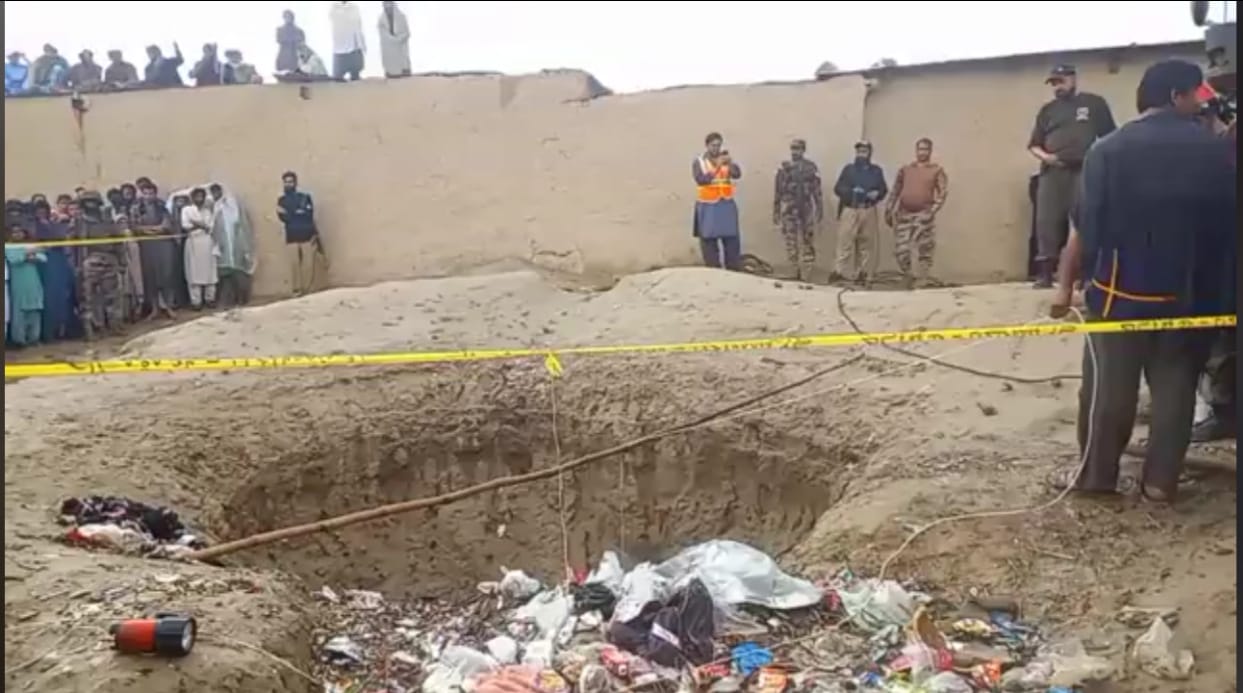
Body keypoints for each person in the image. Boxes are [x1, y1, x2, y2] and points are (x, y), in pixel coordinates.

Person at [1049, 60, 1235, 503]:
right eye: (1194, 95)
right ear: (1175, 96)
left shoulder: (1108, 150)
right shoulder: (1216, 151)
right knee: (1176, 390)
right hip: (1192, 297)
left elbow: (1087, 228)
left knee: (1109, 390)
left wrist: (1073, 284)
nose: (1199, 104)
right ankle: (1160, 483)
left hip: (1120, 293)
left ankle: (1096, 478)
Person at [1027, 64, 1116, 288]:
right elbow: (1034, 145)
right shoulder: (1048, 111)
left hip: (1084, 169)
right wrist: (1047, 158)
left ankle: (1086, 274)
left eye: (1061, 81)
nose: (1057, 87)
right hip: (1053, 171)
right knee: (1047, 221)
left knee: (1085, 219)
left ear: (1073, 79)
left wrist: (1098, 159)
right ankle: (1045, 274)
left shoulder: (1094, 103)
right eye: (1054, 83)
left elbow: (1109, 137)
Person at [885, 137, 950, 289]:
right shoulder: (906, 170)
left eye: (925, 149)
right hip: (904, 215)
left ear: (930, 151)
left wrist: (933, 211)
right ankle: (908, 275)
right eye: (920, 149)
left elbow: (943, 192)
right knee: (902, 250)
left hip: (923, 216)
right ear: (916, 151)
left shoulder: (936, 170)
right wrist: (889, 209)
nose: (922, 152)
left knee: (924, 249)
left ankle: (922, 279)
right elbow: (895, 190)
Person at [831, 141, 887, 284]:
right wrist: (852, 192)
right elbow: (838, 188)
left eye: (864, 151)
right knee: (844, 242)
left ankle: (862, 274)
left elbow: (883, 189)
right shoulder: (849, 170)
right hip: (851, 208)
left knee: (865, 244)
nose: (862, 154)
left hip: (868, 209)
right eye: (859, 151)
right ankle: (838, 272)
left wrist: (877, 194)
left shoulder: (876, 171)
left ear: (870, 153)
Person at [75, 191, 127, 339]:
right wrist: (76, 265)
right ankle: (90, 329)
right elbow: (72, 246)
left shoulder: (108, 221)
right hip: (89, 261)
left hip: (109, 259)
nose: (91, 205)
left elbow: (119, 242)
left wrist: (122, 261)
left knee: (113, 296)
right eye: (88, 202)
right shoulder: (79, 223)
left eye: (93, 202)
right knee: (87, 298)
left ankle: (115, 325)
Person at [771, 138, 823, 280]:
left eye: (798, 149)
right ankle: (793, 270)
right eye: (793, 148)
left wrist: (819, 209)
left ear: (803, 150)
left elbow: (817, 191)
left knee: (807, 240)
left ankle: (807, 272)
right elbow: (778, 191)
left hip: (805, 208)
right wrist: (776, 211)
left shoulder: (810, 168)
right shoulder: (784, 168)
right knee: (790, 241)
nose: (795, 152)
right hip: (789, 208)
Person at [692, 133, 743, 271]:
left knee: (731, 238)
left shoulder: (725, 160)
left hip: (725, 203)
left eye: (718, 145)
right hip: (707, 205)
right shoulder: (699, 162)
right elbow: (701, 180)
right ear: (707, 146)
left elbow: (737, 174)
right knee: (708, 239)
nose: (716, 148)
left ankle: (733, 268)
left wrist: (730, 163)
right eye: (713, 145)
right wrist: (717, 168)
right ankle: (713, 269)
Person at [32, 201, 80, 341]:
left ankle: (64, 330)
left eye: (44, 209)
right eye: (38, 210)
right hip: (43, 263)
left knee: (64, 296)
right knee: (48, 299)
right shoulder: (33, 226)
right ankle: (48, 333)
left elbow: (63, 238)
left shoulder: (54, 224)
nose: (41, 212)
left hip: (59, 261)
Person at [131, 181, 178, 319]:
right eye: (145, 193)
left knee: (166, 275)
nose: (148, 196)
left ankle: (168, 306)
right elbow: (135, 227)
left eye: (151, 193)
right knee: (150, 277)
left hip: (164, 244)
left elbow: (167, 225)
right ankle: (155, 309)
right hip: (147, 246)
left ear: (155, 194)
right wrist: (152, 230)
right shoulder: (136, 208)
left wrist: (151, 230)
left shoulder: (162, 206)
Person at [209, 183, 257, 306]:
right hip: (224, 247)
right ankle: (228, 300)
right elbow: (213, 228)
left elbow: (241, 225)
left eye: (217, 191)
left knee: (240, 272)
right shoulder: (216, 208)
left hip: (237, 245)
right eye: (213, 192)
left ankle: (242, 299)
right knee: (225, 274)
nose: (215, 195)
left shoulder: (234, 207)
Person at [277, 171, 323, 295]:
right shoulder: (281, 200)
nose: (288, 184)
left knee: (308, 265)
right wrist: (297, 212)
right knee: (294, 266)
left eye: (290, 182)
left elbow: (308, 215)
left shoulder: (304, 197)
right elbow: (283, 217)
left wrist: (291, 213)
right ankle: (296, 290)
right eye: (286, 182)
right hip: (291, 237)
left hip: (307, 236)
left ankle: (307, 291)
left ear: (295, 183)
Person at [4, 224, 46, 347]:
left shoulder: (29, 245)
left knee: (35, 310)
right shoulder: (8, 247)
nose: (17, 234)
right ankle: (19, 340)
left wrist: (30, 254)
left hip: (33, 282)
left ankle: (34, 338)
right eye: (14, 232)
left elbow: (43, 257)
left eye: (20, 231)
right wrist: (29, 253)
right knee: (19, 312)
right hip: (18, 284)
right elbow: (14, 259)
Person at [180, 188, 218, 310]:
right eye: (197, 196)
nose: (199, 199)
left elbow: (210, 226)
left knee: (210, 272)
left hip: (207, 242)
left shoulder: (207, 211)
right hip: (193, 242)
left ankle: (210, 298)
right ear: (192, 198)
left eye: (201, 196)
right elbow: (185, 225)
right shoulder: (187, 210)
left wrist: (197, 224)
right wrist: (200, 225)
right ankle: (196, 301)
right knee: (194, 272)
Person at [331, 1, 367, 81]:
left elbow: (358, 22)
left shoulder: (354, 7)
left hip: (354, 41)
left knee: (355, 69)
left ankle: (355, 75)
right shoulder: (334, 7)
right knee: (338, 74)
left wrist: (361, 42)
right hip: (341, 41)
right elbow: (334, 17)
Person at [378, 0, 412, 78]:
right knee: (390, 63)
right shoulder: (381, 19)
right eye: (386, 5)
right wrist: (393, 39)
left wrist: (400, 38)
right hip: (389, 46)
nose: (388, 7)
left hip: (401, 45)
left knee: (403, 61)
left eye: (389, 5)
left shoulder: (401, 16)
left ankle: (405, 71)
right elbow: (383, 33)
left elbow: (407, 32)